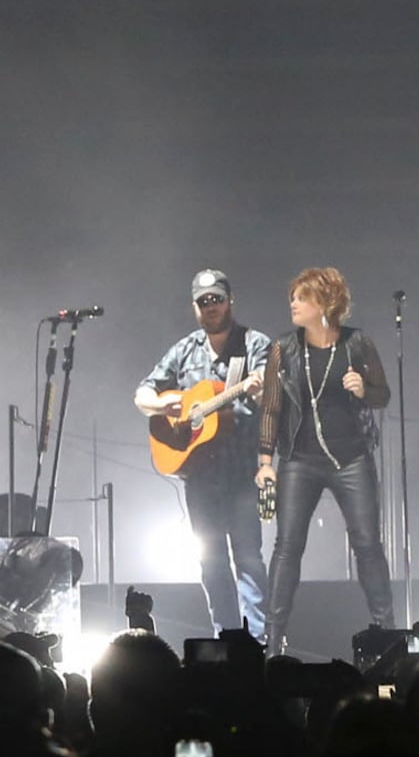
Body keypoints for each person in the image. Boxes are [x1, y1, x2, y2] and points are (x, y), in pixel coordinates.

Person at [261, 266, 396, 650]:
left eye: (302, 298)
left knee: (368, 544)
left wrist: (363, 390)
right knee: (287, 546)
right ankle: (272, 640)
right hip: (299, 459)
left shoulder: (357, 344)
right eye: (293, 297)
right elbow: (270, 408)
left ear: (325, 303)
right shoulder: (283, 348)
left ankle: (386, 633)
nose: (293, 304)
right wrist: (264, 461)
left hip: (351, 457)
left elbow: (383, 395)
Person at [137, 270, 271, 641]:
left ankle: (259, 643)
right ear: (195, 307)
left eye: (218, 299)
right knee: (210, 563)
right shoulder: (184, 350)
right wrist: (165, 406)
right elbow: (143, 394)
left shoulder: (255, 345)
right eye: (204, 302)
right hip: (200, 476)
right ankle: (226, 639)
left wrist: (259, 390)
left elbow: (270, 392)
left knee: (248, 559)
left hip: (243, 473)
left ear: (231, 301)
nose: (212, 307)